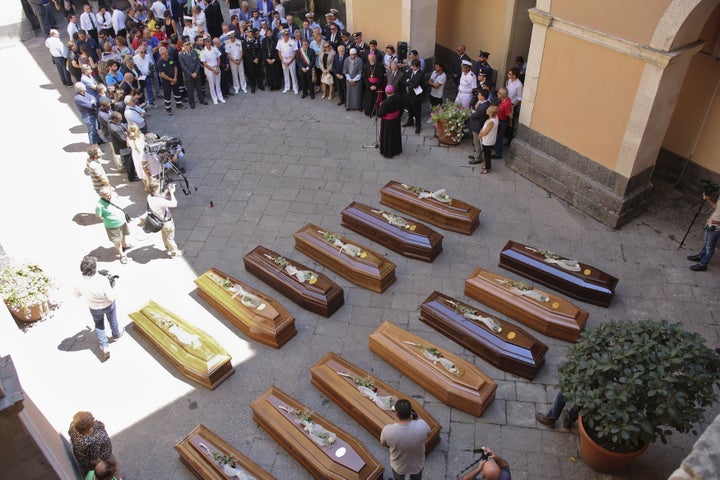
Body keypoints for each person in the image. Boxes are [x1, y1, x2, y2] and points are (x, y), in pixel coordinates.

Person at [73, 255, 121, 361]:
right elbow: (110, 296)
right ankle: (116, 335)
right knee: (112, 319)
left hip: (94, 307)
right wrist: (112, 285)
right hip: (108, 305)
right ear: (94, 268)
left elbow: (76, 296)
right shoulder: (102, 280)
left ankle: (104, 346)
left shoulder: (78, 283)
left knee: (99, 325)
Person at [380, 399, 431, 480]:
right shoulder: (422, 424)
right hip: (417, 465)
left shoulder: (388, 430)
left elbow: (383, 444)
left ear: (396, 414)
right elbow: (428, 433)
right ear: (410, 412)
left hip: (399, 466)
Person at [96, 186, 133, 264]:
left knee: (123, 234)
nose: (109, 196)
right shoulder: (99, 205)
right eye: (106, 195)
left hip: (122, 221)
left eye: (109, 194)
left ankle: (124, 245)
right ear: (101, 195)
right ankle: (122, 255)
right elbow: (98, 215)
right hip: (112, 226)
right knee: (117, 241)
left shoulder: (114, 195)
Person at [147, 180, 182, 257]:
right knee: (170, 237)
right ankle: (174, 252)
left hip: (158, 221)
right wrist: (172, 192)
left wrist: (166, 190)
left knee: (164, 234)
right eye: (159, 186)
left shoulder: (149, 197)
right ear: (155, 189)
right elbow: (174, 204)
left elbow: (160, 197)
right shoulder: (160, 200)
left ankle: (167, 248)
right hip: (166, 222)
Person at [688, 192, 720, 271]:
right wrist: (708, 199)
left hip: (716, 227)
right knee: (706, 242)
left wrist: (715, 222)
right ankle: (700, 256)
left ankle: (703, 264)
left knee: (710, 247)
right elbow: (716, 207)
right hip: (709, 224)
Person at [156, 46, 185, 114]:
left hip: (174, 78)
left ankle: (179, 104)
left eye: (167, 52)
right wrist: (171, 80)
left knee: (177, 92)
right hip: (166, 81)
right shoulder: (159, 63)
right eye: (165, 53)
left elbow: (175, 68)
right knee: (167, 95)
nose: (166, 54)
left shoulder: (170, 58)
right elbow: (162, 74)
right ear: (161, 54)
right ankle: (168, 109)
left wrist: (175, 78)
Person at [179, 39, 207, 107]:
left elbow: (198, 62)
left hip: (196, 73)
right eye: (186, 45)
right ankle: (191, 102)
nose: (188, 46)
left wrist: (196, 72)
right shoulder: (181, 55)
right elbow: (183, 66)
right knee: (190, 88)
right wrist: (191, 73)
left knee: (199, 87)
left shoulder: (194, 52)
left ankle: (201, 100)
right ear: (184, 46)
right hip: (188, 75)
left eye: (189, 44)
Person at [377, 84, 403, 159]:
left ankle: (388, 152)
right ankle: (397, 150)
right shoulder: (399, 98)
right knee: (395, 135)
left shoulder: (385, 102)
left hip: (387, 123)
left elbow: (380, 114)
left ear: (386, 92)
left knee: (388, 137)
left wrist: (381, 106)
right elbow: (401, 108)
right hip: (396, 120)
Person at [467, 89, 490, 165]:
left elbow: (476, 115)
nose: (477, 96)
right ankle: (476, 154)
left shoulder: (484, 106)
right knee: (475, 141)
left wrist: (470, 113)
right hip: (477, 124)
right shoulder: (484, 103)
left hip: (478, 126)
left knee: (477, 142)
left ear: (483, 97)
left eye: (479, 95)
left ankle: (478, 158)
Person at [475, 105, 499, 174]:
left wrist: (480, 135)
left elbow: (486, 132)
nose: (486, 110)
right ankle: (486, 164)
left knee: (487, 155)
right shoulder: (495, 117)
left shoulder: (491, 122)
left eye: (488, 110)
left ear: (491, 113)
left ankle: (487, 168)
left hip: (487, 140)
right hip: (488, 139)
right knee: (486, 154)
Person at [200, 36, 225, 104]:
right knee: (211, 84)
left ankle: (220, 96)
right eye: (207, 42)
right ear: (205, 43)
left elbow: (218, 58)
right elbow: (204, 63)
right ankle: (214, 98)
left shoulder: (214, 49)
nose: (209, 43)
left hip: (216, 67)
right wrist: (213, 70)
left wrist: (217, 67)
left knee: (218, 83)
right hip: (209, 69)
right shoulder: (203, 51)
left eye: (209, 41)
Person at [403, 58, 424, 134]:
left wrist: (409, 82)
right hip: (408, 94)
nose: (412, 67)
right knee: (409, 109)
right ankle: (410, 121)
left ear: (417, 67)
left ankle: (418, 126)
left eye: (414, 66)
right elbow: (404, 80)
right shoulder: (410, 71)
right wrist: (409, 82)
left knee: (417, 111)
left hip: (416, 96)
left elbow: (415, 85)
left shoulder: (420, 74)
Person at [126, 123, 150, 191]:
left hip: (135, 155)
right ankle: (149, 187)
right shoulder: (138, 138)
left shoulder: (128, 137)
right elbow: (141, 150)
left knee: (141, 172)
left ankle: (145, 186)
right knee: (146, 172)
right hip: (140, 156)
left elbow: (128, 145)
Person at [362, 51, 385, 116]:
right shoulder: (366, 65)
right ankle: (369, 112)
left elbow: (381, 77)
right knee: (368, 99)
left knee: (377, 100)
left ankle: (377, 112)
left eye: (372, 58)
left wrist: (376, 86)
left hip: (377, 85)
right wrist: (369, 86)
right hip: (369, 86)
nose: (371, 60)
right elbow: (364, 77)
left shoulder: (379, 65)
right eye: (370, 59)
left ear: (375, 58)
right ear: (368, 59)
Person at [504, 67, 523, 146]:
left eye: (510, 74)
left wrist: (513, 106)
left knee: (510, 122)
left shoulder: (519, 85)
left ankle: (509, 139)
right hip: (506, 101)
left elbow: (519, 98)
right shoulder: (509, 81)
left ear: (514, 76)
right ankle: (504, 134)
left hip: (512, 104)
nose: (508, 75)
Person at [276, 29, 298, 94]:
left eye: (287, 35)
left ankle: (295, 87)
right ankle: (287, 87)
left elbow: (295, 52)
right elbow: (279, 52)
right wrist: (282, 60)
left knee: (293, 74)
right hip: (284, 60)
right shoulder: (280, 41)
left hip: (291, 59)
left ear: (288, 35)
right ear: (282, 35)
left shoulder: (293, 41)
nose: (286, 36)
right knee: (285, 74)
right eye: (284, 35)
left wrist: (290, 61)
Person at [493, 87, 512, 160]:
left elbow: (509, 115)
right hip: (499, 120)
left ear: (502, 95)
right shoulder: (505, 100)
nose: (497, 93)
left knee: (499, 137)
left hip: (502, 122)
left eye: (499, 93)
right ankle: (496, 147)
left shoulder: (506, 104)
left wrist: (510, 123)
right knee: (497, 136)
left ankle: (498, 153)